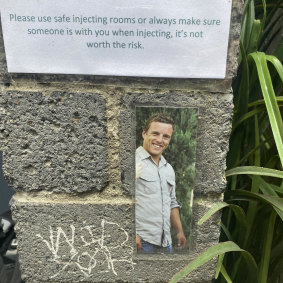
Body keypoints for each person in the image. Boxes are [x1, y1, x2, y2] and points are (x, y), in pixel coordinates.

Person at [135, 113, 186, 253]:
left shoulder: (168, 169)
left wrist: (180, 231)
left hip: (166, 243)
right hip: (142, 242)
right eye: (155, 134)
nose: (160, 140)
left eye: (165, 136)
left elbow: (172, 203)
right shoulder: (132, 162)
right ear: (144, 133)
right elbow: (119, 200)